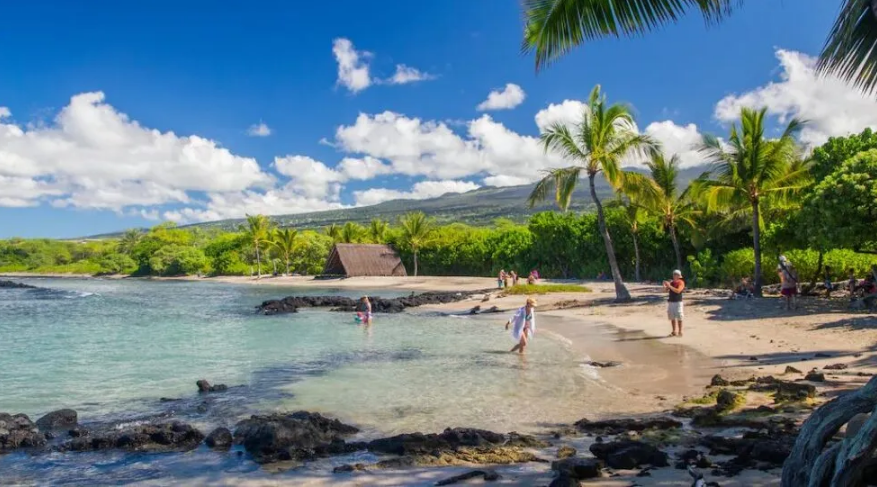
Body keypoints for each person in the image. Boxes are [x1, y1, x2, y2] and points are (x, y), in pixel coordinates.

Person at [663, 270, 685, 336]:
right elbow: (665, 291)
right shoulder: (671, 282)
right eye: (674, 274)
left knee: (679, 317)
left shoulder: (681, 282)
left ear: (679, 276)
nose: (674, 275)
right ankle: (674, 331)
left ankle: (680, 332)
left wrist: (669, 286)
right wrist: (665, 285)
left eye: (676, 274)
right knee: (672, 317)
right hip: (671, 302)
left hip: (678, 302)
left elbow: (678, 291)